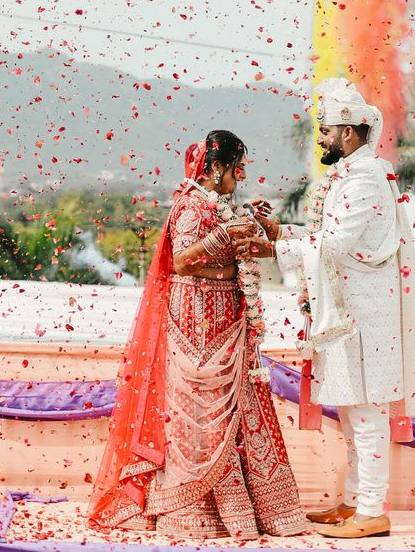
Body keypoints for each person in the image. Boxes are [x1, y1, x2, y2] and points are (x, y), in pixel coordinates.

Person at [234, 78, 415, 538]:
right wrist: (279, 233)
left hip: (363, 318)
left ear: (348, 133)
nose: (322, 139)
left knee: (366, 415)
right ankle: (351, 502)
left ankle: (371, 511)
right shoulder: (354, 175)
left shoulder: (364, 180)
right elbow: (326, 239)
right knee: (351, 414)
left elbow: (338, 245)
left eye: (325, 131)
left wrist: (273, 250)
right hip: (349, 316)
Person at [87, 129, 307, 540]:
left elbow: (230, 251)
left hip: (224, 316)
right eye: (236, 167)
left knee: (231, 410)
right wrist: (224, 239)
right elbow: (183, 262)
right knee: (199, 412)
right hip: (195, 319)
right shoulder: (191, 206)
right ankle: (187, 509)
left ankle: (247, 510)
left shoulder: (220, 204)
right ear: (218, 166)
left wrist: (251, 228)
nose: (240, 176)